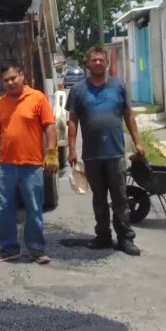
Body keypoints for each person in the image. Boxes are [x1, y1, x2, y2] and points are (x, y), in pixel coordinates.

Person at [65, 45, 144, 256]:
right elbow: (72, 122)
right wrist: (71, 150)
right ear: (88, 64)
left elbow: (129, 116)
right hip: (92, 155)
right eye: (94, 60)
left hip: (115, 153)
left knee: (119, 197)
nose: (98, 63)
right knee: (99, 198)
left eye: (101, 60)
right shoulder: (79, 90)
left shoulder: (118, 85)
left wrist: (138, 142)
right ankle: (103, 236)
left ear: (106, 63)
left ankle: (126, 239)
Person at [0, 62, 58, 264]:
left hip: (32, 166)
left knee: (34, 208)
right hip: (5, 165)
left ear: (22, 76)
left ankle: (36, 249)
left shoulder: (38, 98)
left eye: (13, 78)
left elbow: (49, 127)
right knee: (3, 208)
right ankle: (9, 249)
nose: (10, 82)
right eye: (6, 80)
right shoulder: (1, 102)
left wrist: (51, 153)